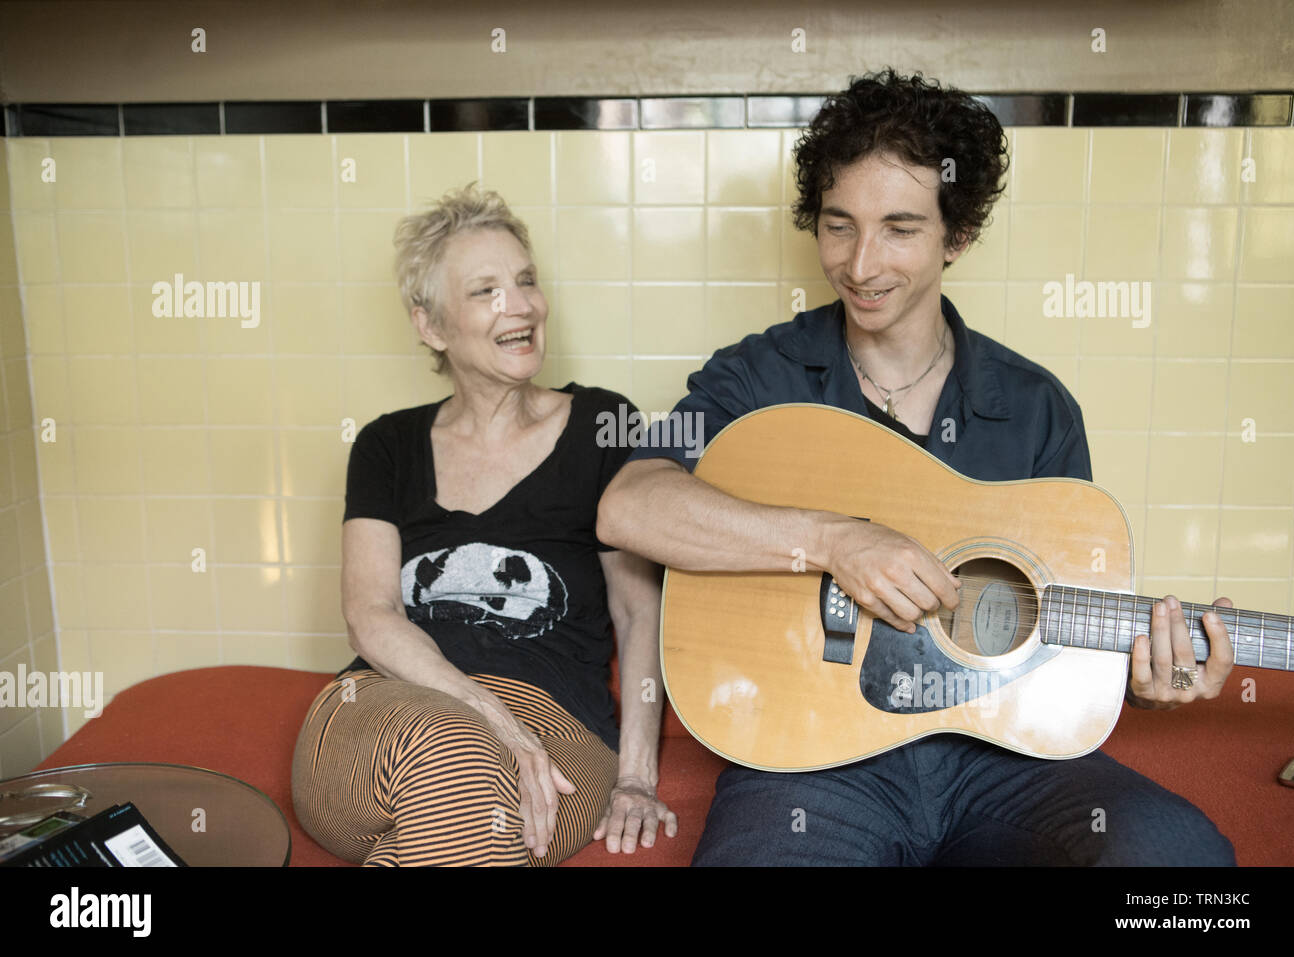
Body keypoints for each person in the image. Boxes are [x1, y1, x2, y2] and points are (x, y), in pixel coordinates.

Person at [596, 68, 1237, 866]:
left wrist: (1146, 681)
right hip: (812, 762)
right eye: (839, 226)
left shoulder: (1038, 407)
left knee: (1180, 858)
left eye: (899, 227)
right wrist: (836, 542)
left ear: (956, 235)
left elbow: (1065, 637)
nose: (861, 263)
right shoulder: (759, 375)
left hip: (1004, 761)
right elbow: (629, 506)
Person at [292, 185, 676, 866]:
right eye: (487, 290)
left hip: (558, 728)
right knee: (449, 751)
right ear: (432, 326)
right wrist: (493, 720)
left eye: (526, 281)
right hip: (388, 710)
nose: (521, 304)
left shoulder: (602, 425)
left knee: (458, 807)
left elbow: (638, 610)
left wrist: (636, 777)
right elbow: (370, 615)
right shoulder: (387, 445)